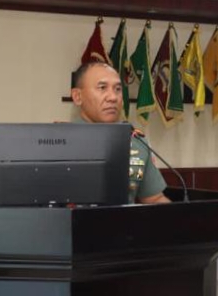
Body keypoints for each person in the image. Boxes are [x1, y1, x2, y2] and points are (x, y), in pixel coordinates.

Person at [70, 60, 170, 204]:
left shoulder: (136, 142)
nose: (113, 97)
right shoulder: (59, 143)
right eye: (102, 88)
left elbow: (155, 199)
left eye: (117, 89)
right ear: (77, 96)